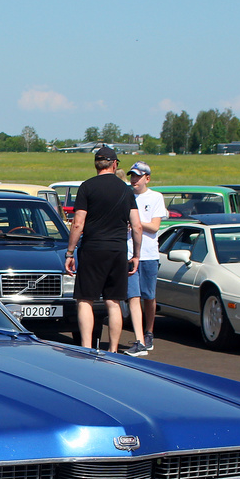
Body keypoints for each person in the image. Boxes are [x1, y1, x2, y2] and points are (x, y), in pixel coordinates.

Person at [64, 146, 142, 352]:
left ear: (96, 165)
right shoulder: (126, 190)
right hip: (117, 250)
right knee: (113, 301)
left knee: (85, 299)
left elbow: (78, 223)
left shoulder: (87, 187)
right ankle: (113, 349)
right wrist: (136, 255)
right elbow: (137, 226)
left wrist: (70, 252)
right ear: (114, 164)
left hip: (92, 248)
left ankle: (86, 347)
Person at [124, 161, 167, 354]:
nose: (134, 180)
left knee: (149, 296)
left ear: (147, 178)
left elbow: (155, 226)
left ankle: (149, 331)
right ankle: (138, 338)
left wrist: (135, 223)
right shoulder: (126, 196)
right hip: (129, 252)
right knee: (133, 295)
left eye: (138, 176)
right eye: (132, 176)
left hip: (149, 253)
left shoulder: (155, 197)